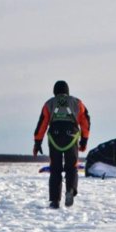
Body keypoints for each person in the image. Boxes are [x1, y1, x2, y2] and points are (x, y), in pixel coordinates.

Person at [33, 80, 90, 208]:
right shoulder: (77, 103)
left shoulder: (49, 104)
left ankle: (54, 201)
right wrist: (84, 140)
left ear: (55, 92)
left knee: (55, 169)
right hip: (72, 137)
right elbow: (85, 121)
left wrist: (37, 142)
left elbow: (42, 124)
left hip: (54, 138)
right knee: (72, 167)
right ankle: (70, 189)